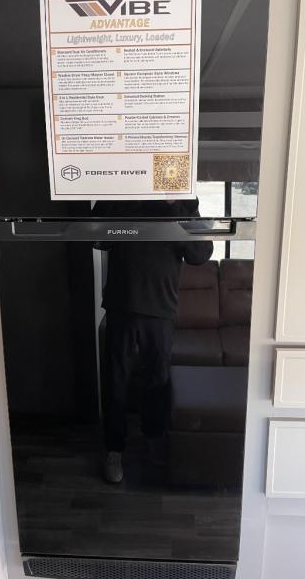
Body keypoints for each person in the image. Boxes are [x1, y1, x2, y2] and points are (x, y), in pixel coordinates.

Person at [92, 199, 213, 483]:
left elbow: (199, 254)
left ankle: (154, 437)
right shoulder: (123, 196)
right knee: (115, 382)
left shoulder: (183, 201)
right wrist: (110, 192)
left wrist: (175, 206)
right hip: (121, 306)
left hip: (161, 310)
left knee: (157, 380)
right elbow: (97, 238)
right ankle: (114, 449)